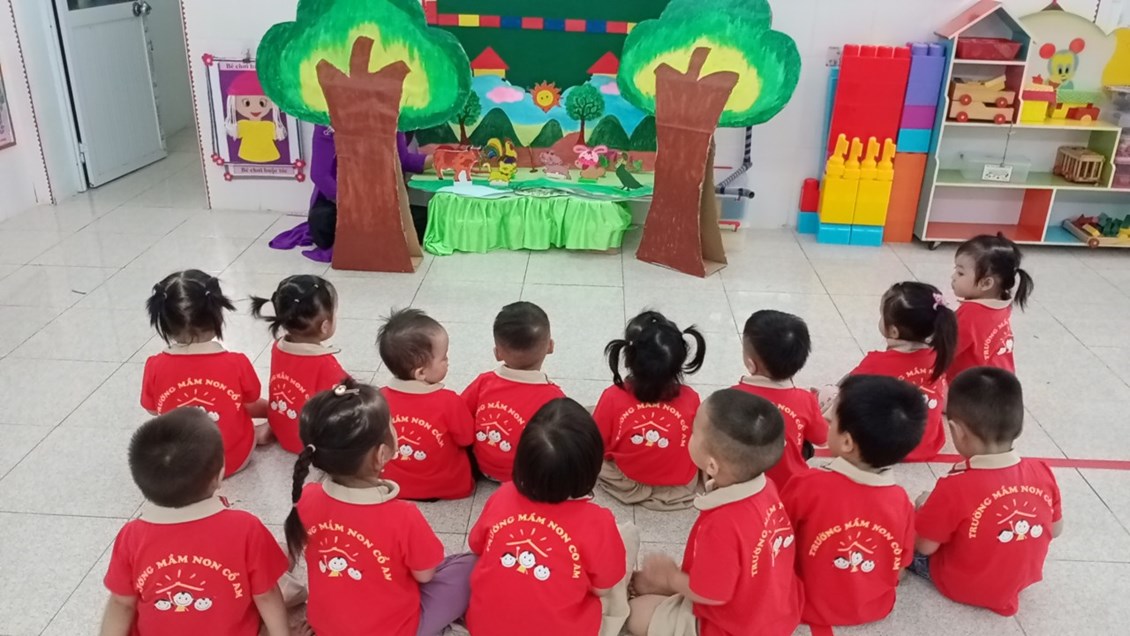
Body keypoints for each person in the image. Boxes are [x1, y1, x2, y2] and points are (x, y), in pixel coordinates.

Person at [285, 379, 474, 636]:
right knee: (469, 565)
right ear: (381, 454)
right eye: (392, 424)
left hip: (326, 626)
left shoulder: (307, 497)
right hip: (395, 630)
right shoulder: (402, 516)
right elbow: (425, 575)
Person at [627, 389, 803, 636]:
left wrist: (670, 578)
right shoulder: (768, 487)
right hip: (772, 610)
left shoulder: (723, 524)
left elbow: (712, 594)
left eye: (693, 431)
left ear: (711, 465)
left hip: (734, 628)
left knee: (636, 613)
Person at [100, 409, 289, 636]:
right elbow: (266, 595)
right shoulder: (246, 528)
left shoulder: (131, 536)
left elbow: (121, 603)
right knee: (280, 566)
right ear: (219, 475)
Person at [466, 398, 631, 636]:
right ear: (591, 467)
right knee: (629, 536)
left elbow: (476, 546)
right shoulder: (599, 521)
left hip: (483, 628)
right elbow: (603, 587)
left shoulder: (503, 495)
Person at [913, 367, 1063, 616]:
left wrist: (924, 507)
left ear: (957, 431)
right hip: (1021, 581)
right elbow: (1055, 529)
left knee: (903, 527)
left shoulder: (955, 486)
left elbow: (925, 547)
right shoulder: (1042, 470)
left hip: (962, 585)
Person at [781, 376, 925, 628]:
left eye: (832, 419)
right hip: (875, 606)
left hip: (806, 603)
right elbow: (900, 565)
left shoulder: (807, 484)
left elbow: (777, 539)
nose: (826, 420)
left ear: (847, 442)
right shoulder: (900, 500)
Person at [142, 270, 266, 477]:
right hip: (233, 460)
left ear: (164, 323)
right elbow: (251, 398)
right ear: (218, 316)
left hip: (180, 467)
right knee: (239, 405)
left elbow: (152, 410)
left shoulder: (154, 365)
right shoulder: (236, 363)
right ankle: (262, 432)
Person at [594, 310, 706, 511]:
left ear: (628, 359)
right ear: (679, 365)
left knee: (589, 429)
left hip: (627, 481)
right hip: (679, 484)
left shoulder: (612, 397)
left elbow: (596, 444)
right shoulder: (692, 399)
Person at [839, 282, 957, 461]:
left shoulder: (876, 362)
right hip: (929, 444)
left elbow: (846, 389)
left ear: (893, 331)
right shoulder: (937, 356)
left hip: (887, 446)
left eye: (882, 316)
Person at [377, 308, 475, 501]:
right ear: (421, 373)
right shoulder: (449, 401)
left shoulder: (378, 399)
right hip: (446, 485)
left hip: (393, 485)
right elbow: (467, 439)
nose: (447, 361)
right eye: (444, 357)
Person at [462, 301, 566, 482]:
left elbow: (460, 413)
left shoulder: (484, 382)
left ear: (497, 353)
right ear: (550, 346)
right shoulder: (555, 397)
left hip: (482, 465)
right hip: (525, 476)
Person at [250, 274, 346, 454]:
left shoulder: (278, 347)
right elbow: (347, 399)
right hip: (308, 441)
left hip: (281, 427)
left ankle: (274, 426)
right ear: (325, 326)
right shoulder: (325, 363)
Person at [731, 310, 827, 489]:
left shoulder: (732, 397)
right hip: (792, 486)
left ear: (751, 364)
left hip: (744, 486)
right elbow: (822, 438)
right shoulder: (805, 399)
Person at [308, 125, 434, 250]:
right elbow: (320, 175)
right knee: (322, 223)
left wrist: (437, 159)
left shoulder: (391, 119)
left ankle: (371, 232)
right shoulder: (327, 122)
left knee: (432, 221)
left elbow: (402, 160)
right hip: (338, 202)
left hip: (379, 203)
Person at [948, 234, 1034, 382]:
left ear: (986, 283)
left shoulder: (971, 313)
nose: (953, 277)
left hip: (974, 386)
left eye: (960, 273)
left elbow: (945, 350)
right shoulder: (1002, 303)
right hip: (1003, 381)